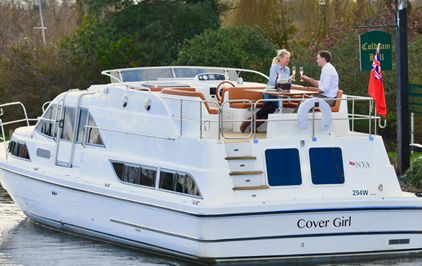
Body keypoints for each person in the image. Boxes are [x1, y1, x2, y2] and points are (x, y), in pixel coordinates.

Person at [240, 49, 292, 132]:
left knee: (271, 108)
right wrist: (284, 82)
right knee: (271, 107)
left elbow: (288, 81)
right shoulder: (274, 67)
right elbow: (272, 81)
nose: (288, 60)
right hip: (270, 92)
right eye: (287, 58)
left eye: (288, 58)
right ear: (281, 58)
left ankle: (250, 124)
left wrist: (287, 82)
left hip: (280, 93)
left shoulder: (288, 69)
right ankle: (249, 124)